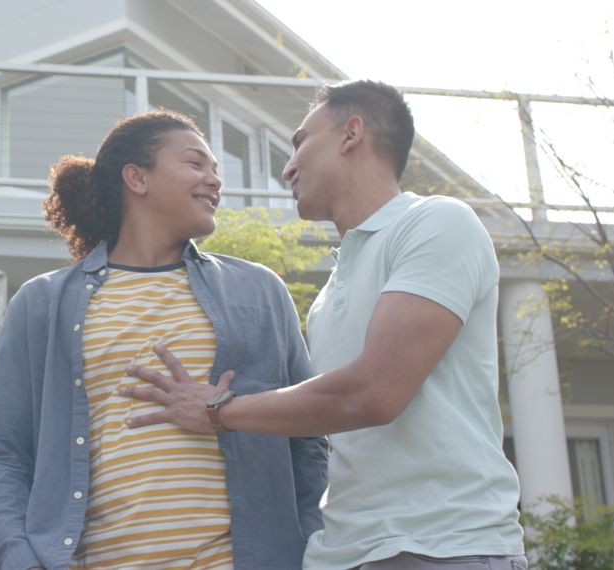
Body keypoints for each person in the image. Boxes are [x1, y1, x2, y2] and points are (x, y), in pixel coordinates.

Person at [120, 81, 526, 570]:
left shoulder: (438, 223)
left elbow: (373, 392)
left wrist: (218, 408)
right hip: (341, 554)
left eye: (299, 143)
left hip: (443, 546)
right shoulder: (330, 291)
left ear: (351, 133)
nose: (287, 167)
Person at [0, 110, 328, 570]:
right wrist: (21, 560)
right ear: (136, 178)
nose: (215, 181)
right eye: (197, 164)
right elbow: (0, 455)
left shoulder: (257, 291)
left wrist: (308, 548)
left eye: (217, 170)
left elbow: (308, 434)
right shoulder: (42, 304)